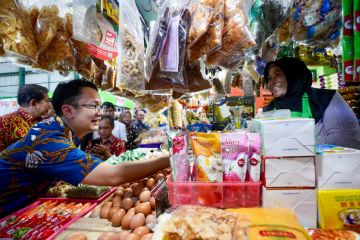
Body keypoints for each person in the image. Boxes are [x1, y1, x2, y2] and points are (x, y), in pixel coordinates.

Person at [0, 79, 169, 217]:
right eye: (93, 106)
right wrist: (168, 159)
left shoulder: (63, 131)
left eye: (100, 106)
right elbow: (113, 175)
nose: (100, 112)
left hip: (20, 207)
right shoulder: (49, 140)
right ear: (67, 110)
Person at [263, 57, 360, 149]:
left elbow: (345, 141)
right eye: (270, 78)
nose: (272, 82)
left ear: (293, 75)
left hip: (329, 164)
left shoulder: (324, 98)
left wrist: (292, 145)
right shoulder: (269, 109)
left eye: (277, 75)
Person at [0, 84, 50, 151]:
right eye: (47, 101)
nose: (49, 105)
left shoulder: (45, 122)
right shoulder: (4, 122)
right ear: (33, 103)